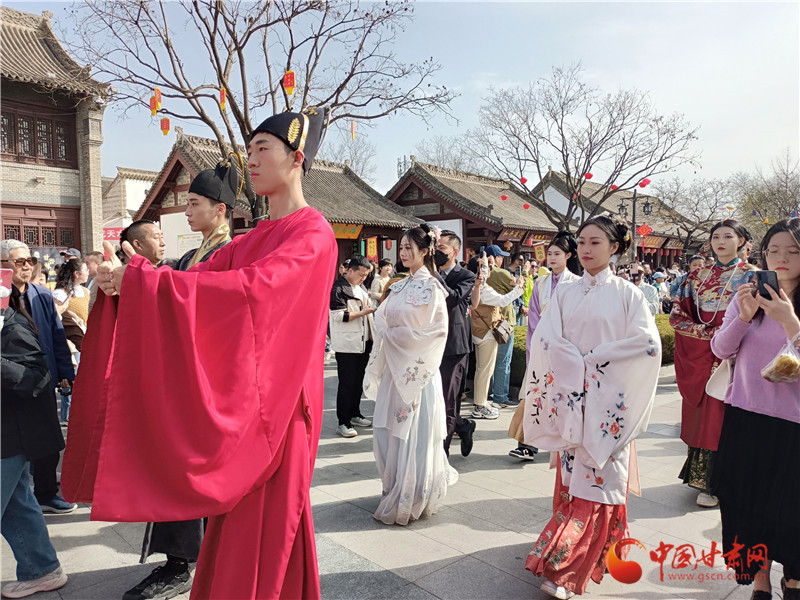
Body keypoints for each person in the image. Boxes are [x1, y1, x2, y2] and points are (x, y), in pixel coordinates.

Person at [62, 106, 336, 600]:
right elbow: (197, 281)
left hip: (283, 408)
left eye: (263, 148)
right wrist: (130, 282)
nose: (252, 160)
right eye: (249, 150)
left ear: (297, 158)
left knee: (268, 528)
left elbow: (253, 293)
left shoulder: (313, 233)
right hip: (253, 404)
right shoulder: (253, 238)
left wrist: (146, 285)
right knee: (242, 529)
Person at [523, 216, 661, 599]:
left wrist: (596, 361)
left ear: (615, 247)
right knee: (573, 478)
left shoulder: (628, 294)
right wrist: (574, 365)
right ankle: (579, 549)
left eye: (595, 242)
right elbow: (546, 339)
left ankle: (566, 569)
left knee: (598, 482)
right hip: (571, 400)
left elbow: (649, 345)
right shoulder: (565, 293)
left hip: (608, 404)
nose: (585, 249)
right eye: (581, 241)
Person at [125, 159, 239, 600]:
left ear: (220, 209)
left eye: (194, 203)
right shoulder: (192, 256)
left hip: (209, 381)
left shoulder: (229, 253)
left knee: (190, 473)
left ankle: (184, 563)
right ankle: (184, 560)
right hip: (185, 376)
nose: (186, 211)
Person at [710, 218, 800, 600]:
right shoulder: (747, 296)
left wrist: (791, 323)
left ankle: (794, 578)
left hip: (794, 425)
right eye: (773, 250)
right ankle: (760, 581)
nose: (781, 257)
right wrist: (745, 316)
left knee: (791, 511)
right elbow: (720, 349)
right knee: (747, 505)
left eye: (793, 251)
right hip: (746, 416)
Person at [364, 224, 451, 526]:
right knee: (389, 432)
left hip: (418, 375)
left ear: (425, 251)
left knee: (416, 435)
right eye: (400, 247)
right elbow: (381, 318)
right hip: (395, 370)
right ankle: (394, 487)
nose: (402, 253)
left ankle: (412, 494)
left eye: (408, 248)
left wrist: (396, 337)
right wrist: (391, 335)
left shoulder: (433, 288)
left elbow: (437, 333)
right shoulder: (398, 286)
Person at [670, 219, 755, 508]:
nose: (720, 241)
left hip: (739, 354)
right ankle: (703, 480)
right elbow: (678, 315)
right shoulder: (696, 276)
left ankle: (724, 482)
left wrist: (731, 337)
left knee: (730, 418)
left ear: (741, 241)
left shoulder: (752, 276)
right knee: (705, 416)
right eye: (716, 236)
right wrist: (707, 335)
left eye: (728, 236)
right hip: (704, 354)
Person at [1, 285, 69, 599]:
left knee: (17, 505)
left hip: (11, 437)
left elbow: (35, 378)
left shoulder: (12, 326)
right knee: (17, 506)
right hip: (10, 437)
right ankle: (41, 570)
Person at [0, 240, 76, 515]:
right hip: (9, 382)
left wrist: (65, 372)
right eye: (19, 261)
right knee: (13, 446)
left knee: (47, 439)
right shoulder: (2, 297)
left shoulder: (42, 295)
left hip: (42, 378)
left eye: (30, 261)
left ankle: (46, 494)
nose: (27, 266)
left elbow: (57, 335)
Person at [509, 232, 580, 461]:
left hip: (566, 350)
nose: (552, 258)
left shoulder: (577, 284)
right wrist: (533, 351)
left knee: (561, 398)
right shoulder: (541, 283)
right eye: (550, 254)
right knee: (533, 396)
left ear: (568, 256)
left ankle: (563, 442)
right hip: (542, 348)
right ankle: (527, 445)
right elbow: (533, 322)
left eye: (557, 254)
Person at [432, 230, 477, 457]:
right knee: (434, 399)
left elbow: (451, 298)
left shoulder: (466, 275)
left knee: (449, 401)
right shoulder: (431, 274)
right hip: (431, 344)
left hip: (454, 346)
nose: (437, 253)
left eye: (442, 249)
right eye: (435, 248)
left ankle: (443, 455)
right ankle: (463, 426)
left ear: (455, 251)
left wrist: (433, 273)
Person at [469, 249, 523, 418]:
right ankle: (480, 405)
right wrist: (519, 288)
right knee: (485, 371)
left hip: (479, 331)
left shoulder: (473, 286)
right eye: (487, 267)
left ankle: (481, 403)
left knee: (481, 370)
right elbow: (503, 300)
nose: (490, 270)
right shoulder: (483, 288)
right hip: (486, 332)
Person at [330, 254, 375, 438]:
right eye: (361, 274)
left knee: (358, 382)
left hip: (363, 342)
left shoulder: (359, 287)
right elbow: (339, 316)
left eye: (366, 275)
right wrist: (364, 312)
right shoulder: (339, 288)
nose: (363, 278)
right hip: (347, 345)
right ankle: (343, 421)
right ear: (349, 270)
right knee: (347, 384)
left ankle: (355, 414)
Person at [52, 259, 89, 424]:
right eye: (85, 270)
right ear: (76, 273)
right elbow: (56, 320)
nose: (87, 273)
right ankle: (67, 417)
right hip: (70, 343)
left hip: (84, 339)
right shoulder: (60, 294)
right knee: (71, 380)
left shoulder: (85, 291)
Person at [485, 245, 518, 408]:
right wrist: (525, 273)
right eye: (501, 257)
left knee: (488, 361)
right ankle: (500, 396)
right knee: (503, 361)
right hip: (504, 322)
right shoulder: (501, 273)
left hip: (487, 321)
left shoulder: (482, 273)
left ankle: (488, 393)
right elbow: (519, 288)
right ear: (495, 257)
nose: (502, 259)